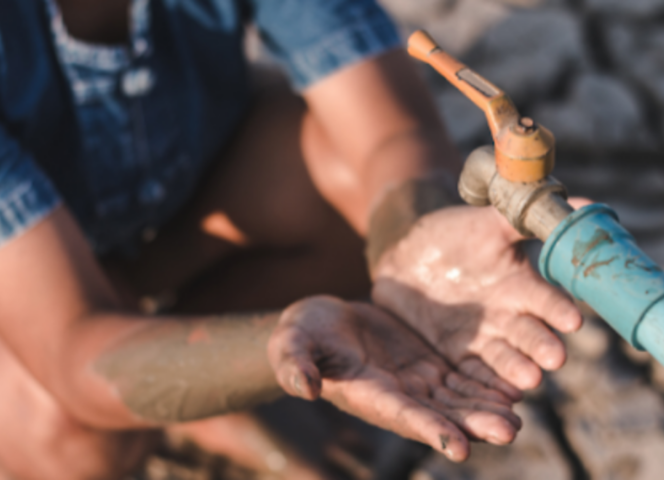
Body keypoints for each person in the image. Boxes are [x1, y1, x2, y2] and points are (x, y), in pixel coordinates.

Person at [0, 0, 583, 478]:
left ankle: (188, 383)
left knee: (355, 179)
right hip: (21, 287)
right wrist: (278, 346)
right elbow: (74, 351)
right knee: (73, 440)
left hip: (163, 218)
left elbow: (391, 133)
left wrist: (417, 239)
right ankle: (187, 389)